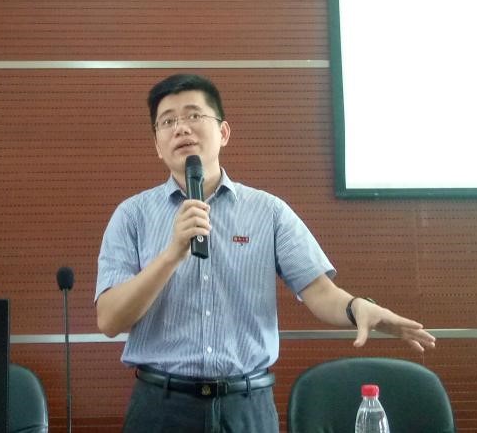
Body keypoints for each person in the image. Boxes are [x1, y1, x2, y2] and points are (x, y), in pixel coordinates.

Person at [95, 73, 436, 432]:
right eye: (168, 121)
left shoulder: (268, 211)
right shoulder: (132, 216)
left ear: (224, 132)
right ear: (158, 145)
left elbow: (320, 292)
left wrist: (356, 307)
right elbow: (110, 320)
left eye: (194, 115)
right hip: (160, 408)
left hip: (246, 407)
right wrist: (171, 256)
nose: (181, 128)